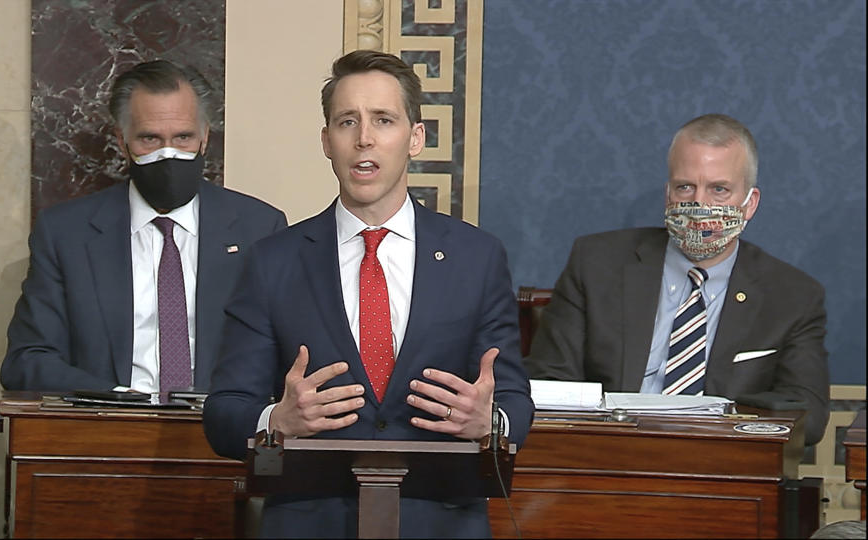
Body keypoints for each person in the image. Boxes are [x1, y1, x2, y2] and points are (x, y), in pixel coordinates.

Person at [203, 50, 534, 538]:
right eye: (346, 122)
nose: (364, 138)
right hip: (309, 522)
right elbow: (223, 412)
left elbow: (515, 403)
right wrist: (278, 419)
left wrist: (491, 421)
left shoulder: (477, 257)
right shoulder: (273, 261)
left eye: (383, 120)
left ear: (415, 137)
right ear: (326, 141)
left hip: (442, 521)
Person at [524, 113, 829, 445]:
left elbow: (808, 417)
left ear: (749, 203)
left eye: (719, 190)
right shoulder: (595, 264)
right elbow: (549, 382)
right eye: (686, 187)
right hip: (606, 455)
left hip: (724, 466)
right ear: (668, 194)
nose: (699, 204)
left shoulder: (793, 296)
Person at [1, 60, 287, 393]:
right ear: (122, 141)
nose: (168, 155)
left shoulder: (260, 228)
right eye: (150, 139)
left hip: (219, 433)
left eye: (183, 138)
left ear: (205, 137)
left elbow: (285, 356)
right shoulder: (66, 233)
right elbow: (27, 360)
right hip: (106, 430)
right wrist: (117, 400)